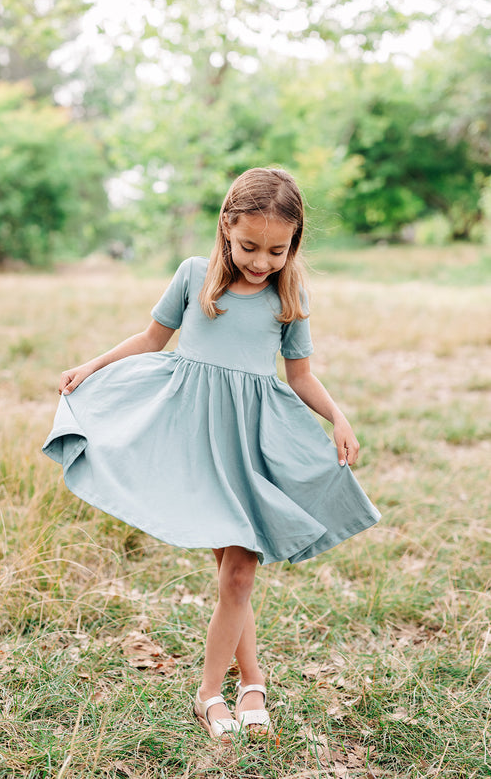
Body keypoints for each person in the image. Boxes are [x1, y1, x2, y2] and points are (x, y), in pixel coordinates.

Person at [43, 167, 380, 742]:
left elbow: (299, 375)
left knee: (239, 573)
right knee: (232, 573)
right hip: (193, 438)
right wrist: (92, 366)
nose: (261, 261)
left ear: (293, 244)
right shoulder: (195, 277)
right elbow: (152, 340)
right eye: (250, 246)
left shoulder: (289, 296)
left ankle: (215, 691)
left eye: (278, 250)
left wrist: (339, 415)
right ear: (227, 227)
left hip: (249, 445)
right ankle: (246, 681)